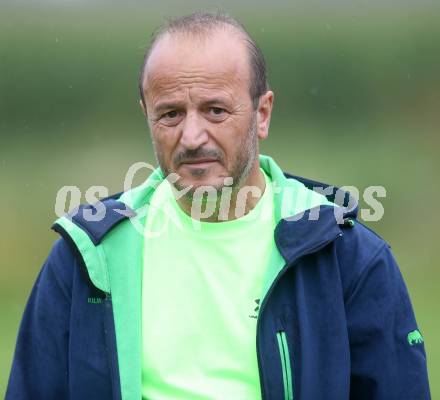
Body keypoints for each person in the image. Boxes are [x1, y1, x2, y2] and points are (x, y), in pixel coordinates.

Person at [6, 11, 430, 400]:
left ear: (262, 114)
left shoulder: (347, 257)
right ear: (147, 116)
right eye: (170, 114)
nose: (192, 136)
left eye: (215, 110)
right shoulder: (86, 257)